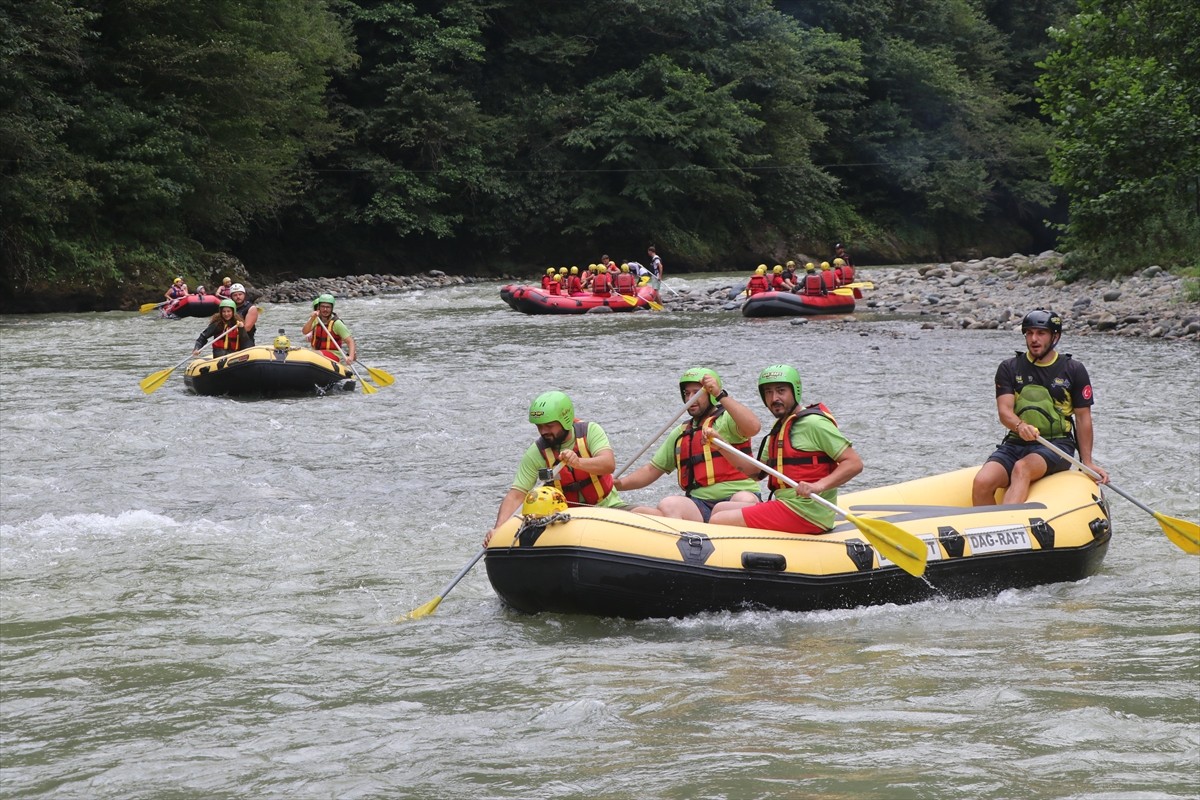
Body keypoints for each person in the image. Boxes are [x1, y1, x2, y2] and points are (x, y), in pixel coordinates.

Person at [971, 309, 1108, 506]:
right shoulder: (1009, 368)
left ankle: (1007, 521)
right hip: (1015, 443)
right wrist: (1020, 427)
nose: (1034, 339)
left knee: (1022, 468)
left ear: (1055, 337)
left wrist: (1087, 462)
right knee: (981, 482)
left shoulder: (1073, 370)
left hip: (1057, 445)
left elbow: (1083, 418)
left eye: (1041, 333)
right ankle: (988, 525)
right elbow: (1004, 412)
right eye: (1029, 333)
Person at [708, 364, 864, 535]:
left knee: (718, 520)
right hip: (788, 505)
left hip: (807, 512)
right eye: (768, 392)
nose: (774, 398)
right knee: (719, 508)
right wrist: (721, 445)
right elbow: (756, 473)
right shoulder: (779, 428)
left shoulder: (815, 424)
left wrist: (818, 486)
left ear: (795, 392)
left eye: (781, 391)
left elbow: (854, 463)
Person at [613, 369, 761, 521]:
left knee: (745, 499)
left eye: (696, 392)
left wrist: (720, 394)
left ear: (710, 394)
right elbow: (651, 470)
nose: (691, 398)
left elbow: (754, 427)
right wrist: (619, 484)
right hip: (700, 504)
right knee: (669, 504)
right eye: (687, 393)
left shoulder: (728, 420)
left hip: (737, 497)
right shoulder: (681, 432)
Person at [484, 391, 624, 544]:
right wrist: (499, 528)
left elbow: (608, 464)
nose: (543, 431)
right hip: (567, 519)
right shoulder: (537, 452)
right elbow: (516, 494)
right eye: (539, 426)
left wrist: (578, 463)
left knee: (642, 512)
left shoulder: (590, 431)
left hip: (608, 507)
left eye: (549, 426)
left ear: (565, 421)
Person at [303, 293, 356, 363]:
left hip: (333, 355)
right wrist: (312, 319)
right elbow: (305, 331)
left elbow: (350, 341)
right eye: (323, 306)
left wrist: (351, 357)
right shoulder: (315, 319)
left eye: (328, 307)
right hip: (317, 352)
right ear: (319, 307)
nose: (325, 309)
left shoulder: (337, 323)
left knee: (312, 353)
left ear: (332, 308)